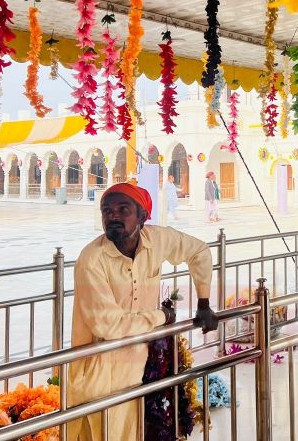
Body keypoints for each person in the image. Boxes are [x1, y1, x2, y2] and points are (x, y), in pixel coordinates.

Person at [67, 182, 218, 441]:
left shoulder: (156, 240)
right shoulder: (91, 260)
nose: (112, 216)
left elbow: (199, 251)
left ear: (142, 217)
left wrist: (203, 303)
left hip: (146, 364)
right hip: (101, 370)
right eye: (107, 211)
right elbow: (110, 327)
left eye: (122, 209)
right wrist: (162, 317)